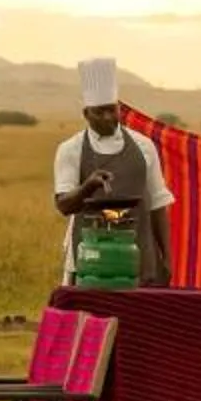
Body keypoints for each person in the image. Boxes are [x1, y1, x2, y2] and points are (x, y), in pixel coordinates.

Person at [51, 57, 173, 285]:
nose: (109, 118)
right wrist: (88, 186)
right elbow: (64, 205)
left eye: (112, 110)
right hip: (91, 258)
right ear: (86, 114)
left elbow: (158, 205)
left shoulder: (144, 146)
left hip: (140, 255)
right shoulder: (71, 149)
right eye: (100, 112)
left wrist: (166, 258)